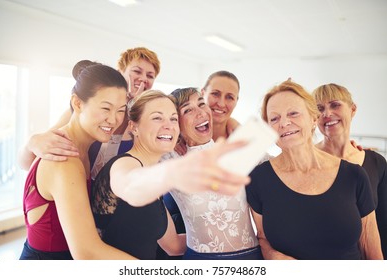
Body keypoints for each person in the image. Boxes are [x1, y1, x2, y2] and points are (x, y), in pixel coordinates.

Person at [90, 89, 251, 260]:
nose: (168, 126)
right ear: (133, 127)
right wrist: (174, 172)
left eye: (173, 119)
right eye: (157, 118)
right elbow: (131, 186)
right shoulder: (124, 164)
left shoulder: (155, 176)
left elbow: (174, 246)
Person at [246, 79, 383, 260]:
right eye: (274, 118)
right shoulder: (258, 179)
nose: (284, 123)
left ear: (313, 118)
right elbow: (262, 237)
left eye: (293, 113)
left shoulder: (354, 175)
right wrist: (271, 255)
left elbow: (370, 248)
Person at [19, 60, 137, 259]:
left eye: (120, 110)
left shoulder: (86, 147)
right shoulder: (63, 158)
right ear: (77, 103)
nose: (114, 119)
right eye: (105, 108)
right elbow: (86, 253)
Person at [17, 47, 161, 178]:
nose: (143, 79)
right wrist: (32, 142)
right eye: (137, 71)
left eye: (150, 75)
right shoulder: (83, 111)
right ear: (119, 72)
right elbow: (28, 162)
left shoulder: (146, 120)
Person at [158, 87, 261, 260]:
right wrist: (170, 137)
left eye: (201, 104)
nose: (200, 113)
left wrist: (234, 123)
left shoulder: (234, 151)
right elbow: (138, 126)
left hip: (251, 259)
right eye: (188, 110)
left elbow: (283, 164)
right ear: (176, 121)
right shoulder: (169, 158)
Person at [312, 83, 387, 259]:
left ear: (352, 110)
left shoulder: (376, 162)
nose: (327, 113)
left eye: (335, 105)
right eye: (320, 108)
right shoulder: (308, 160)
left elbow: (383, 223)